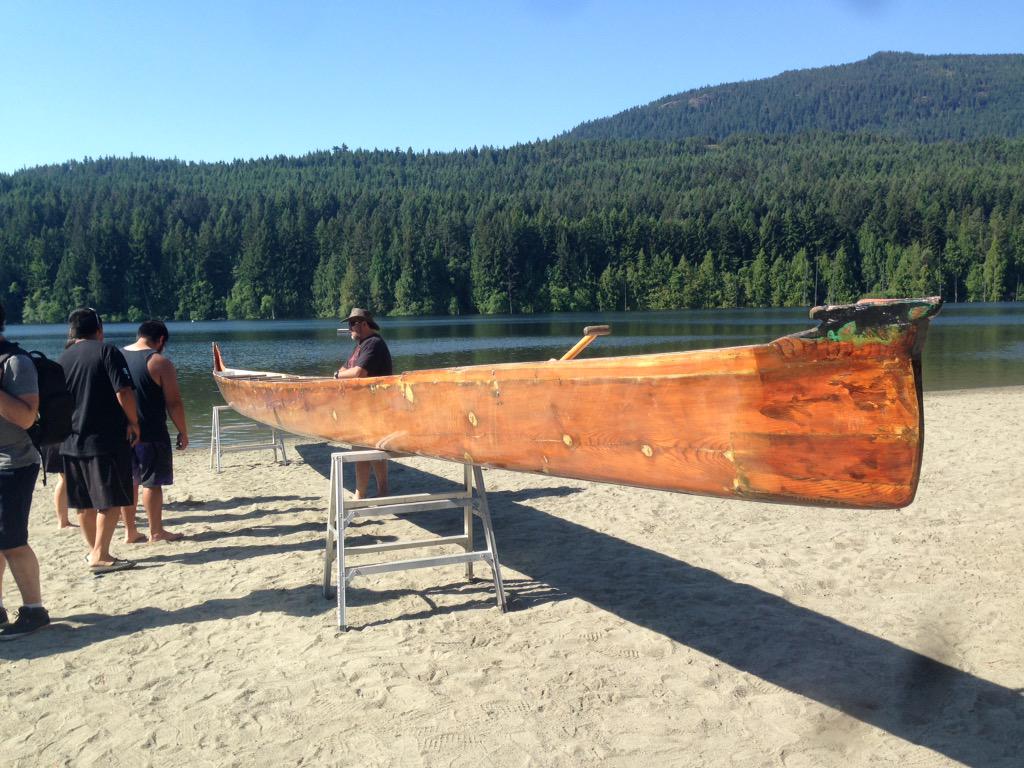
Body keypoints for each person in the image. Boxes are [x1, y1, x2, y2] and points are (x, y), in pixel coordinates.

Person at [58, 308, 140, 574]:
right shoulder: (107, 352)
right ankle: (101, 554)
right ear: (99, 329)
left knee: (83, 502)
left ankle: (93, 550)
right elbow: (124, 391)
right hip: (104, 438)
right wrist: (134, 422)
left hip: (70, 439)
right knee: (111, 498)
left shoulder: (64, 357)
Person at [0, 301, 50, 639]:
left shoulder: (16, 362)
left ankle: (34, 610)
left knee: (12, 540)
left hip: (13, 463)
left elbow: (27, 417)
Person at [120, 320, 187, 543]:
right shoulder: (159, 363)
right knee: (151, 482)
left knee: (130, 481)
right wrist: (183, 432)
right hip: (151, 431)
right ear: (160, 340)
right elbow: (174, 403)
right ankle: (156, 531)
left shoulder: (116, 357)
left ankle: (130, 531)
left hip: (123, 432)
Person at [334, 307, 393, 498]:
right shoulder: (361, 345)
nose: (350, 328)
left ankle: (362, 494)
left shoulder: (373, 344)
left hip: (375, 406)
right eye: (350, 324)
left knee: (363, 448)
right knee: (370, 448)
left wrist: (337, 376)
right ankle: (377, 491)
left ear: (364, 324)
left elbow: (359, 372)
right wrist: (338, 374)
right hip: (365, 407)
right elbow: (346, 368)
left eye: (353, 324)